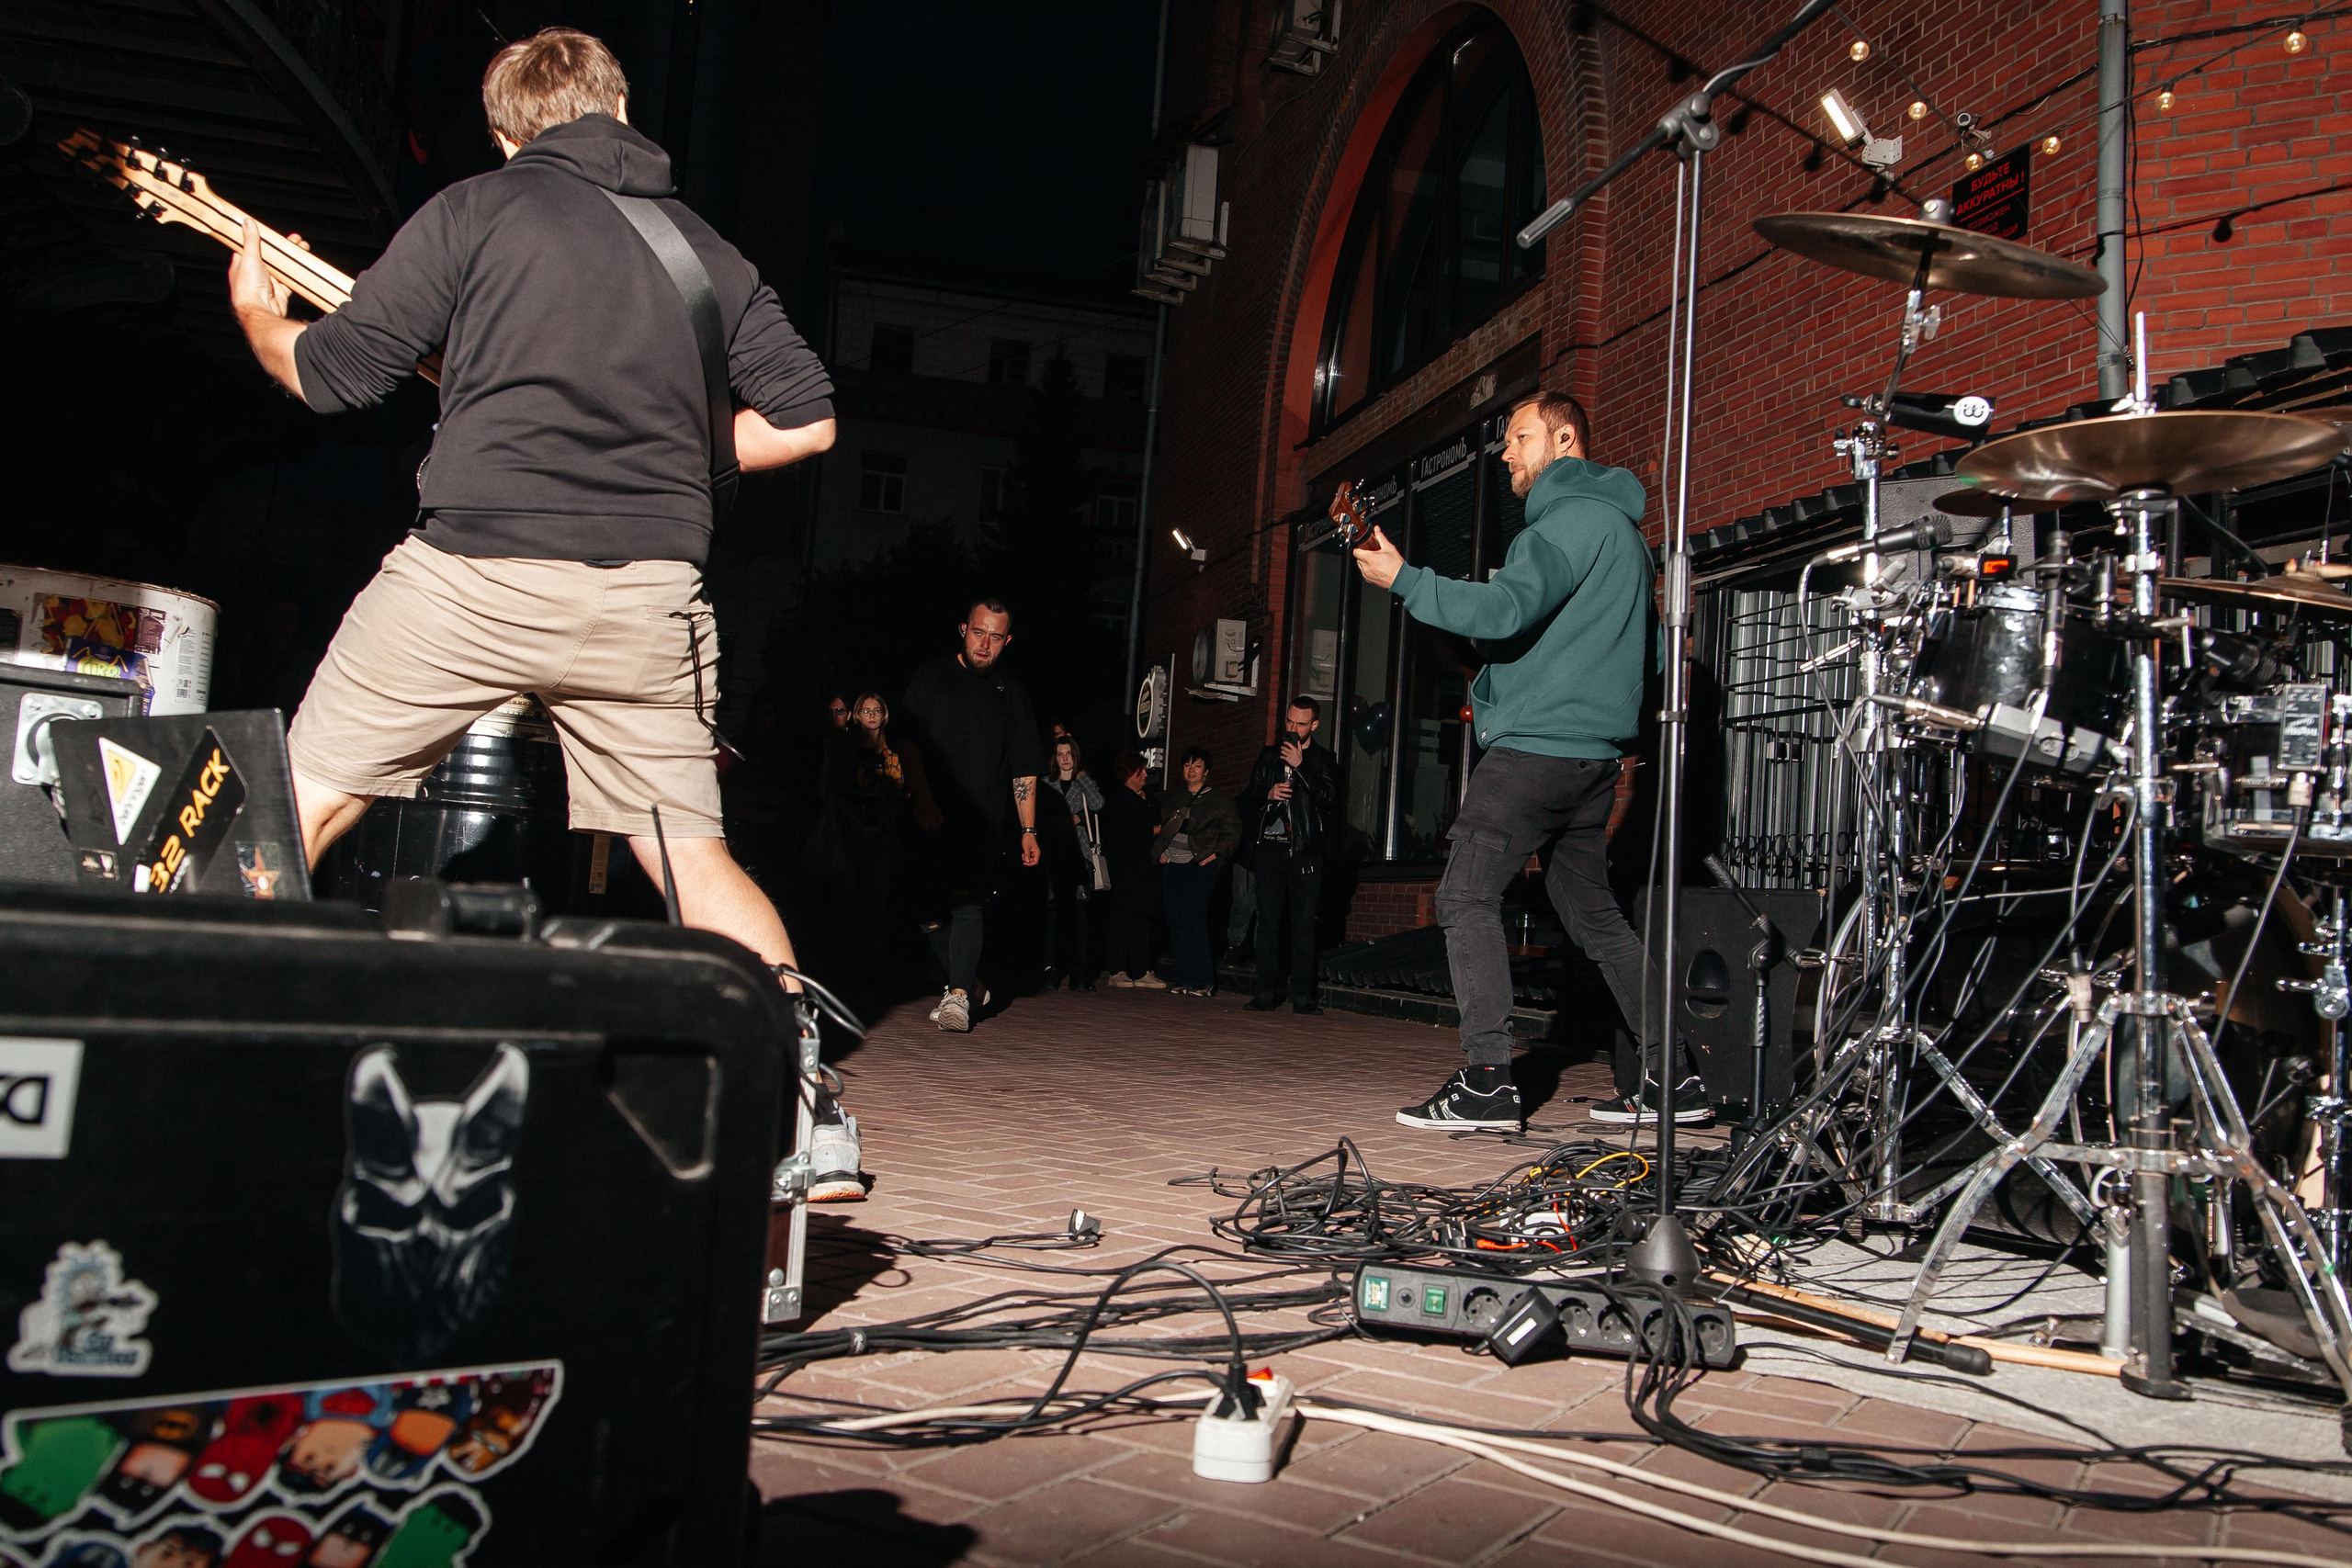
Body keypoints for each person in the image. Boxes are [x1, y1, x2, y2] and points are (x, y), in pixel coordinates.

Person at [225, 28, 864, 1190]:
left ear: (511, 131)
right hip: (648, 597)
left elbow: (335, 376)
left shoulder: (477, 211)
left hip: (470, 574)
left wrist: (260, 313)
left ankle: (193, 1051)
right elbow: (811, 418)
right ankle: (808, 1106)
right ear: (617, 111)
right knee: (690, 859)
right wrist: (675, 445)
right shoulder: (704, 250)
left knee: (303, 805)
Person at [1352, 389, 1696, 1132]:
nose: (1506, 453)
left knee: (1463, 896)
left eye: (1519, 437)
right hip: (1593, 767)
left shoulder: (1564, 521)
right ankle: (1676, 1077)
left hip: (1537, 757)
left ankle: (1485, 1081)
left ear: (1564, 438)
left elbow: (1505, 610)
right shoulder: (1626, 538)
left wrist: (1407, 580)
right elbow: (1611, 651)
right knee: (1595, 917)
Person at [897, 597, 1046, 1032]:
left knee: (967, 901)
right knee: (926, 910)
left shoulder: (1012, 693)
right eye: (978, 632)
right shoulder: (930, 676)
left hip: (981, 820)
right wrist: (923, 799)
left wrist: (1028, 829)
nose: (985, 644)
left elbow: (1024, 767)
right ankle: (971, 983)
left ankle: (959, 995)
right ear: (963, 629)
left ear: (1007, 641)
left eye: (995, 637)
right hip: (930, 812)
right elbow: (907, 744)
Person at [820, 693, 940, 987]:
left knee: (876, 901)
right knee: (846, 898)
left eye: (877, 710)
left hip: (882, 835)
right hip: (851, 832)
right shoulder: (846, 751)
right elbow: (835, 791)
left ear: (884, 715)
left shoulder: (893, 752)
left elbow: (903, 790)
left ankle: (871, 963)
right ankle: (845, 962)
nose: (872, 715)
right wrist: (856, 823)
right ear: (857, 715)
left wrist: (887, 817)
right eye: (866, 710)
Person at [1236, 695, 1339, 1014]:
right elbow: (1245, 800)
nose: (1293, 728)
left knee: (1304, 926)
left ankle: (1302, 996)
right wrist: (1266, 793)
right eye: (1290, 722)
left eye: (1301, 724)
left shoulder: (1322, 759)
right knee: (1267, 924)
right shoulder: (1269, 756)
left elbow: (1329, 798)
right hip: (1270, 849)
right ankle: (1265, 992)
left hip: (1306, 852)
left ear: (1315, 725)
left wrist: (1301, 765)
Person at [1156, 746, 1239, 996]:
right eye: (1187, 765)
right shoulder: (1174, 799)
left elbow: (1233, 833)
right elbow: (1163, 829)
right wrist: (1159, 852)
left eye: (1197, 766)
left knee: (1194, 919)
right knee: (1176, 920)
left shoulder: (1219, 801)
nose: (1191, 770)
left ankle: (1203, 981)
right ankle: (1184, 979)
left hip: (1199, 865)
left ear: (1207, 772)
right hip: (1173, 864)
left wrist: (1215, 854)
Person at [1040, 736, 1104, 990]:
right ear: (1054, 758)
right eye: (1060, 754)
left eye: (1069, 753)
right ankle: (1050, 970)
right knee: (1052, 915)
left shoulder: (1083, 782)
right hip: (1052, 855)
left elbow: (1099, 804)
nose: (1065, 758)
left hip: (1079, 856)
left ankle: (1079, 974)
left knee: (1079, 916)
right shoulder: (1046, 784)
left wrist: (1083, 778)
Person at [1099, 752, 1164, 987]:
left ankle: (1141, 970)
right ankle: (1117, 970)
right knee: (1123, 918)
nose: (1145, 775)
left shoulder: (1149, 798)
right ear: (1128, 774)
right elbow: (1124, 831)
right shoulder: (1118, 799)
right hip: (1124, 868)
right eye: (1140, 771)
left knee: (1143, 919)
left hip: (1146, 867)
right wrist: (1153, 830)